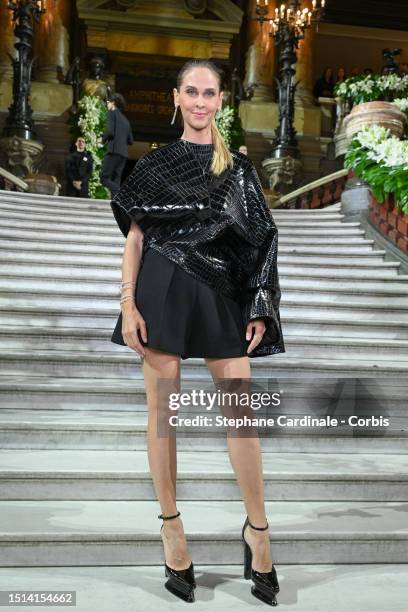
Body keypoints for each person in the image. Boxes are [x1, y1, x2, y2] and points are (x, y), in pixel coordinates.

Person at [109, 59, 284, 605]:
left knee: (242, 419)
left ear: (221, 102)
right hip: (161, 286)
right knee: (163, 420)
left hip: (221, 292)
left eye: (211, 93)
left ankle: (258, 531)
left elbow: (260, 240)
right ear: (177, 97)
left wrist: (258, 304)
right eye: (193, 91)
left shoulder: (237, 169)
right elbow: (136, 238)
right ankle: (172, 528)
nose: (201, 101)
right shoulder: (154, 165)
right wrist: (129, 301)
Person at [100, 93, 134, 197]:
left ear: (113, 103)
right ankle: (116, 205)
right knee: (116, 179)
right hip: (123, 154)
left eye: (108, 102)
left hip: (114, 151)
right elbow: (131, 140)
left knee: (104, 178)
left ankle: (121, 195)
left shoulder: (112, 112)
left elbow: (110, 132)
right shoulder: (126, 121)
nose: (107, 105)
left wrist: (102, 139)